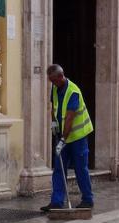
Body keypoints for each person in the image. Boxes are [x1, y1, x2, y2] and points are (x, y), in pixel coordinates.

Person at [40, 64, 94, 212]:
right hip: (63, 136)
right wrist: (53, 125)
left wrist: (62, 140)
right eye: (50, 81)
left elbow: (69, 119)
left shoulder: (73, 92)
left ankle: (88, 200)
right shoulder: (55, 88)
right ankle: (57, 202)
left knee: (80, 169)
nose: (52, 83)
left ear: (61, 76)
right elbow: (53, 107)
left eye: (54, 80)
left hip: (78, 137)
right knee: (59, 168)